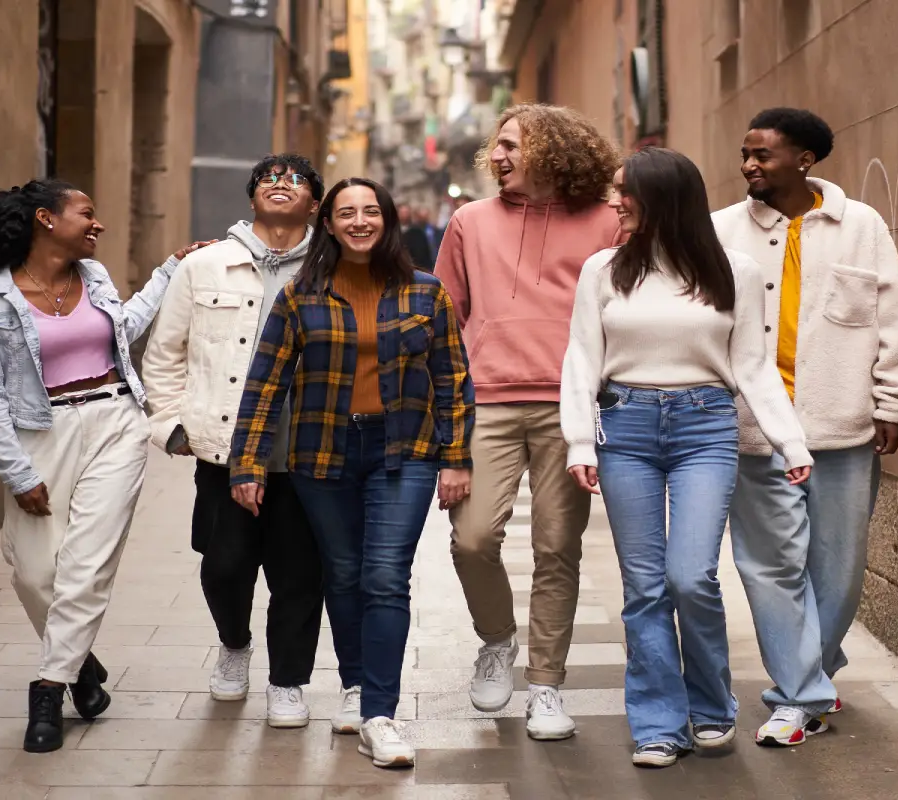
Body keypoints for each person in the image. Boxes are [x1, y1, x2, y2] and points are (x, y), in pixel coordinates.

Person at [560, 148, 812, 767]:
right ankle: (657, 723)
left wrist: (789, 440)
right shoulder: (603, 268)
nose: (614, 202)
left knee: (691, 576)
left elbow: (752, 364)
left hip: (706, 426)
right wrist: (579, 440)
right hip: (626, 427)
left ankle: (711, 707)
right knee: (644, 585)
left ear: (663, 198)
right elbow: (582, 359)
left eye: (625, 191)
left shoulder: (736, 270)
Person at [0, 179, 209, 753]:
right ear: (46, 219)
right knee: (34, 571)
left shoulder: (93, 278)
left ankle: (48, 689)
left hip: (115, 422)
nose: (98, 224)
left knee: (86, 564)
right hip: (39, 432)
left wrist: (169, 270)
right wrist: (18, 473)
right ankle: (80, 666)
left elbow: (125, 329)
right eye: (86, 213)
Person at [228, 177, 474, 768]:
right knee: (342, 574)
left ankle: (380, 715)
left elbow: (452, 379)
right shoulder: (299, 296)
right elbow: (265, 384)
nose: (360, 221)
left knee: (385, 577)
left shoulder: (427, 292)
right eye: (347, 213)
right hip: (322, 452)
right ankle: (357, 685)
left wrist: (456, 457)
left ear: (387, 220)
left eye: (371, 211)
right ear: (330, 224)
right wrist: (248, 463)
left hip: (404, 450)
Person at [712, 108, 898, 746]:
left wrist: (893, 403)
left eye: (763, 155)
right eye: (745, 154)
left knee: (838, 569)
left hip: (842, 427)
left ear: (804, 160)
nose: (749, 165)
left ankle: (811, 672)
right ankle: (799, 696)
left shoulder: (861, 225)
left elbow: (894, 318)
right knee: (768, 567)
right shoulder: (720, 230)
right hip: (756, 430)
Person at [434, 103, 622, 741]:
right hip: (485, 399)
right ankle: (497, 639)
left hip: (570, 404)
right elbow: (446, 316)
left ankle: (546, 685)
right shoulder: (470, 220)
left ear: (554, 150)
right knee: (472, 539)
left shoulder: (606, 221)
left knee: (556, 546)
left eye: (513, 145)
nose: (498, 156)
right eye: (498, 144)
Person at [141, 154, 327, 726]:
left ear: (314, 204)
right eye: (268, 177)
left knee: (299, 574)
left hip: (306, 450)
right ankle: (234, 643)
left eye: (296, 179)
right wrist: (171, 425)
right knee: (224, 565)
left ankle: (288, 681)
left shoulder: (333, 266)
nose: (280, 183)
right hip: (225, 447)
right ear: (251, 198)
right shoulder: (205, 265)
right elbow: (165, 352)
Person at [398, 202, 434, 270]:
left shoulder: (418, 232)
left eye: (406, 212)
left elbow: (424, 254)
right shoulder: (393, 232)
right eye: (402, 212)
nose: (404, 215)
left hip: (417, 269)